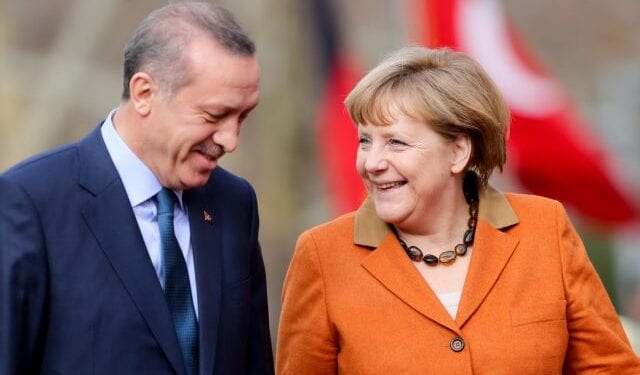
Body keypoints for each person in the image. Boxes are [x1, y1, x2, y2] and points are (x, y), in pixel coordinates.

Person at [276, 46, 640, 373]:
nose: (371, 162)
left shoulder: (544, 228)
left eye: (396, 143)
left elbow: (610, 368)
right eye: (365, 141)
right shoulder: (322, 256)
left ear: (458, 152)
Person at [0, 2, 274, 374]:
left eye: (243, 116)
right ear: (144, 93)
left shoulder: (234, 204)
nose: (230, 139)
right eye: (214, 115)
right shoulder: (30, 203)